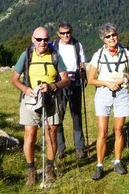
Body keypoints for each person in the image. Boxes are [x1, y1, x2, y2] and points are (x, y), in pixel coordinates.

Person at [11, 27, 70, 186]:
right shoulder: (27, 55)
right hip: (30, 99)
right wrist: (25, 89)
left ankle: (50, 168)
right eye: (39, 39)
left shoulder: (56, 56)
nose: (42, 43)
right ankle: (31, 170)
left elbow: (66, 80)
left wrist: (53, 86)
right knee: (30, 135)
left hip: (51, 97)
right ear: (33, 39)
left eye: (45, 39)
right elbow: (14, 79)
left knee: (51, 133)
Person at [87, 23, 129, 180]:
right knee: (102, 132)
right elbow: (91, 80)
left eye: (113, 35)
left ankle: (117, 161)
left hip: (121, 93)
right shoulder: (98, 55)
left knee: (119, 129)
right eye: (108, 36)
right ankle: (99, 165)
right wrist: (107, 83)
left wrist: (123, 79)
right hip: (103, 94)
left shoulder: (126, 53)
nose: (112, 38)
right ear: (103, 40)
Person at [53, 22, 87, 160]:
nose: (66, 35)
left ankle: (79, 147)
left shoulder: (77, 45)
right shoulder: (53, 46)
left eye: (68, 32)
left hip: (75, 85)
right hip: (59, 85)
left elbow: (82, 64)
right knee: (58, 116)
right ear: (58, 34)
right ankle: (60, 148)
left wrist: (84, 76)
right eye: (63, 33)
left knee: (76, 116)